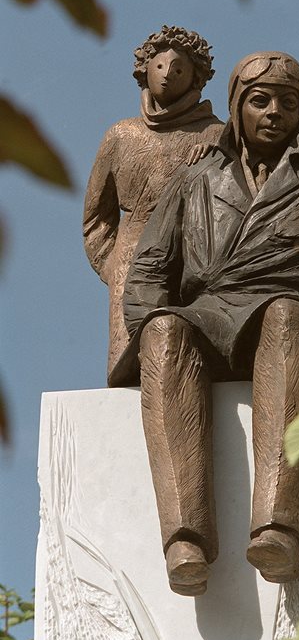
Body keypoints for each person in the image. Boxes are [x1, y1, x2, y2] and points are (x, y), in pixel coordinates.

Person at [110, 51, 299, 595]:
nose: (274, 112)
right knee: (165, 330)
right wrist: (150, 325)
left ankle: (278, 528)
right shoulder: (195, 178)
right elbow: (149, 269)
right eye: (260, 100)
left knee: (287, 313)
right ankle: (184, 539)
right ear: (236, 107)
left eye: (288, 103)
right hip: (209, 314)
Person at [83, 25, 223, 379]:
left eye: (179, 69)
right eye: (160, 66)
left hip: (195, 252)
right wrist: (113, 265)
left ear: (196, 78)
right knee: (132, 364)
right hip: (133, 249)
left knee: (186, 359)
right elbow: (97, 217)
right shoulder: (121, 134)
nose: (167, 75)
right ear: (145, 69)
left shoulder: (219, 134)